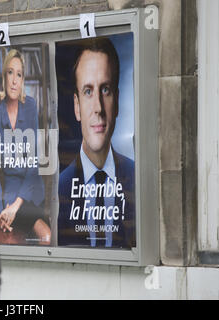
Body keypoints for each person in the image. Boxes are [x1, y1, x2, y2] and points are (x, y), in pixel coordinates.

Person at [57, 37, 135, 248]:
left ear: (117, 101)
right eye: (88, 91)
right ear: (76, 106)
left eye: (105, 90)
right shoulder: (59, 188)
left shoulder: (137, 179)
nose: (98, 107)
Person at [0, 49, 51, 245]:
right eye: (10, 73)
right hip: (8, 199)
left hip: (30, 196)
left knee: (46, 237)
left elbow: (33, 166)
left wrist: (15, 207)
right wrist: (0, 212)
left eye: (19, 74)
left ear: (23, 81)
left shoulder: (30, 107)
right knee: (11, 242)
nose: (14, 80)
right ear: (4, 77)